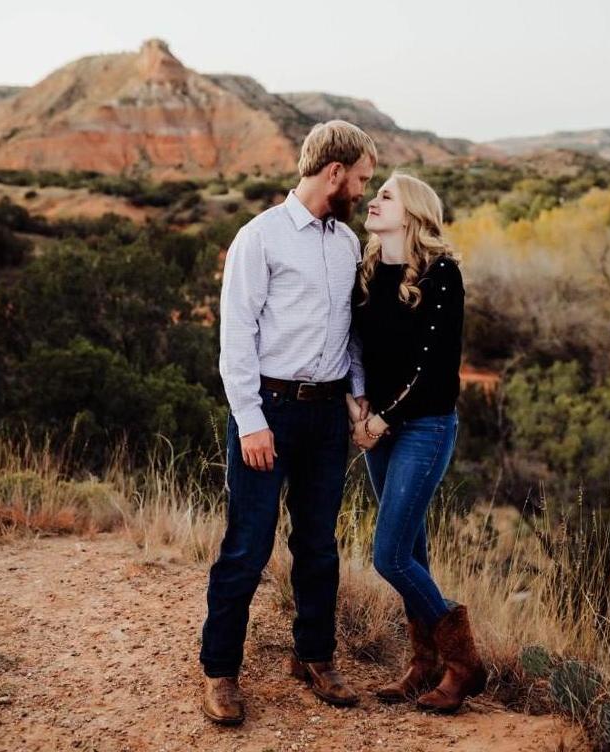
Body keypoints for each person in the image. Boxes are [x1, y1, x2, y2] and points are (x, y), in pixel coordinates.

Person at [200, 120, 376, 725]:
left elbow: (351, 333)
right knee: (247, 546)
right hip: (268, 412)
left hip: (326, 417)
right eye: (361, 178)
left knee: (318, 544)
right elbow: (236, 338)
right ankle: (220, 671)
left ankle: (315, 656)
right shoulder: (260, 237)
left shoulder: (346, 243)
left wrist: (357, 395)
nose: (363, 190)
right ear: (334, 172)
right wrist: (250, 421)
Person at [349, 172, 488, 714]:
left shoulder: (442, 274)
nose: (373, 200)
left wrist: (383, 420)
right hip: (377, 425)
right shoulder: (366, 271)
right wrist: (358, 403)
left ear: (412, 213)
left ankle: (463, 664)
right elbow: (354, 346)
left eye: (385, 195)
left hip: (424, 427)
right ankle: (424, 664)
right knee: (412, 552)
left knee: (389, 556)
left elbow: (434, 371)